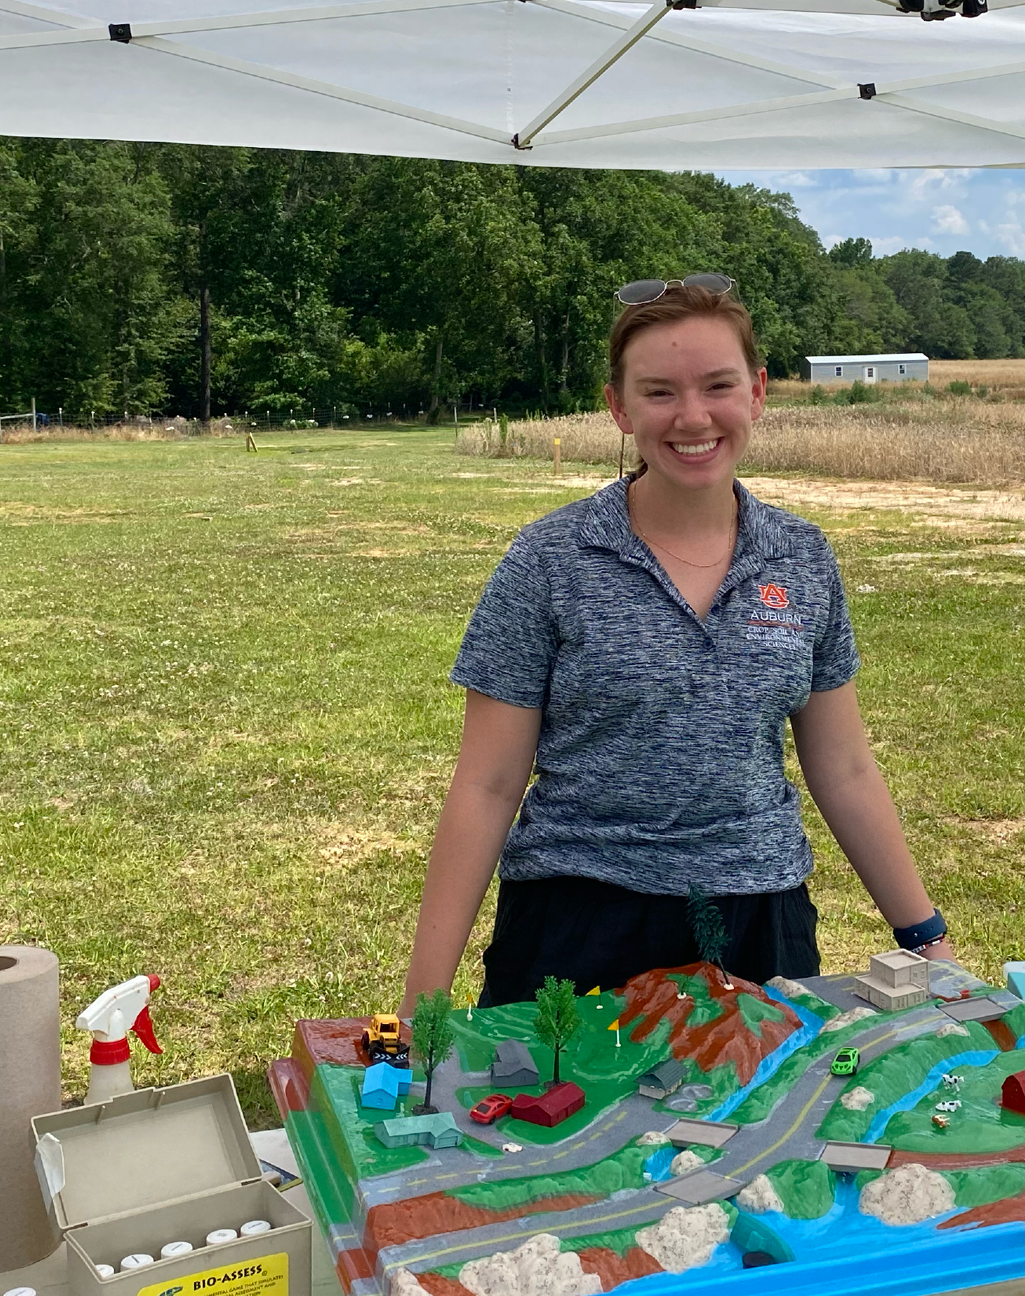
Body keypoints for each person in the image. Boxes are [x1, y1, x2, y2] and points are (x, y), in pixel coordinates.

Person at [399, 275, 952, 1013]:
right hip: (577, 924)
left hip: (761, 922)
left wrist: (925, 937)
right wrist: (423, 1002)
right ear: (619, 408)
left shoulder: (801, 557)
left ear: (756, 392)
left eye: (718, 385)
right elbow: (487, 785)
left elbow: (844, 767)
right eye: (659, 392)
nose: (693, 417)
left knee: (765, 1095)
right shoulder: (550, 559)